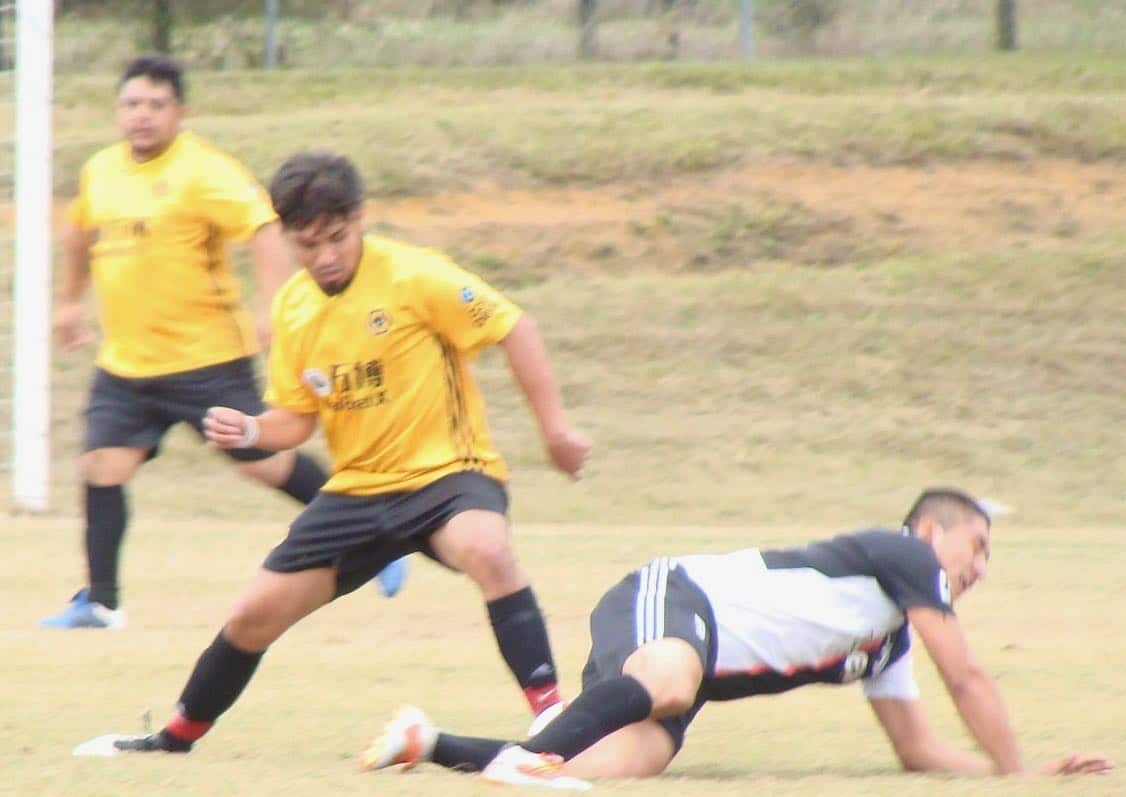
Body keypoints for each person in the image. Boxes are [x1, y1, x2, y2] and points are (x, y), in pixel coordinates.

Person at [71, 150, 590, 757]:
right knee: (254, 615)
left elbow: (515, 327)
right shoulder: (294, 308)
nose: (324, 256)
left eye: (336, 237)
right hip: (358, 491)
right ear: (288, 238)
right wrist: (251, 431)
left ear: (359, 218)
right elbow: (296, 419)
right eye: (307, 244)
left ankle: (553, 719)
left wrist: (555, 431)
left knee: (487, 548)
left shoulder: (415, 275)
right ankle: (173, 738)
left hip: (448, 474)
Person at [360, 488, 1113, 790]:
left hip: (683, 665)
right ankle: (538, 751)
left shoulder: (887, 640)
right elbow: (967, 677)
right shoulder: (904, 554)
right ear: (926, 532)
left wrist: (1014, 771)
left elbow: (917, 751)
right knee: (668, 685)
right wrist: (1017, 776)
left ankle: (429, 742)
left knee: (612, 766)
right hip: (673, 598)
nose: (979, 567)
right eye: (975, 546)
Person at [41, 56, 406, 630]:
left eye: (156, 105)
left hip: (205, 359)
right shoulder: (100, 171)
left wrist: (273, 308)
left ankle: (378, 534)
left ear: (180, 111)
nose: (142, 115)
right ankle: (101, 603)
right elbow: (80, 234)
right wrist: (68, 301)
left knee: (265, 463)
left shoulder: (204, 170)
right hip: (127, 363)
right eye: (132, 104)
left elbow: (264, 228)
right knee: (101, 466)